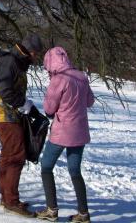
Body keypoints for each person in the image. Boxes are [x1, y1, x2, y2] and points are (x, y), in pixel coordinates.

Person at [0, 34, 43, 218]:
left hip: (3, 114)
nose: (36, 58)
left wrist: (26, 105)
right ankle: (11, 201)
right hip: (5, 115)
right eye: (36, 54)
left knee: (8, 155)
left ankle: (7, 197)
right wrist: (23, 104)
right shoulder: (11, 61)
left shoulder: (12, 59)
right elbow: (4, 90)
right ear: (31, 51)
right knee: (16, 156)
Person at [36, 46, 94, 223]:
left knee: (46, 166)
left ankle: (51, 210)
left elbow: (49, 108)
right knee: (75, 171)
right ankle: (83, 215)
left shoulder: (59, 79)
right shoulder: (81, 76)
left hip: (62, 132)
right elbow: (89, 102)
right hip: (80, 131)